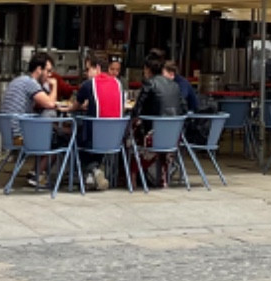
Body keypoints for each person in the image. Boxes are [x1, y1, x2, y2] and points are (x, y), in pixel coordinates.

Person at [0, 53, 61, 188]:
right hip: (19, 136)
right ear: (39, 69)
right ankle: (37, 174)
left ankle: (36, 172)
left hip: (10, 133)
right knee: (58, 140)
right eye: (48, 71)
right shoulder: (30, 83)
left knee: (49, 130)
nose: (50, 75)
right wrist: (54, 86)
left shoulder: (19, 80)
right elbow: (50, 103)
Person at [72, 53, 125, 190]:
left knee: (73, 136)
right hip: (115, 139)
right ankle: (92, 175)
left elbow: (75, 106)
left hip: (94, 138)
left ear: (97, 68)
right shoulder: (118, 84)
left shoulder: (89, 84)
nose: (86, 73)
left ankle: (92, 171)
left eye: (88, 69)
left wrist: (70, 107)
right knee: (94, 134)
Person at [135, 57, 189, 187]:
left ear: (148, 70)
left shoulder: (149, 84)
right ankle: (160, 176)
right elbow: (184, 109)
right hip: (173, 138)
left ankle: (131, 177)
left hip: (153, 137)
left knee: (128, 138)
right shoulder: (175, 85)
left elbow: (137, 110)